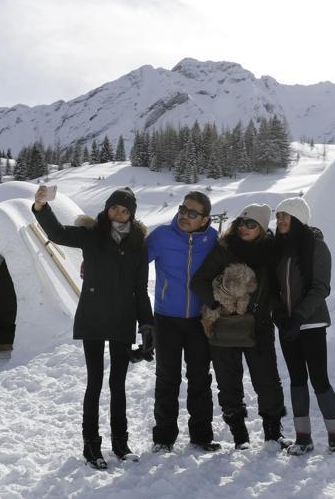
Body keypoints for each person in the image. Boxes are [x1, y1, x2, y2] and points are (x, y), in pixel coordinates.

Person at [32, 186, 153, 470]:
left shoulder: (138, 244)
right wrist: (41, 207)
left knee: (118, 384)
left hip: (123, 318)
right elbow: (58, 233)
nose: (119, 214)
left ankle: (121, 443)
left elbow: (140, 288)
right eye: (115, 208)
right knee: (95, 382)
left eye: (125, 210)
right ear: (107, 208)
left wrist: (147, 323)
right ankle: (91, 445)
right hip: (94, 317)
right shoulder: (91, 234)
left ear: (132, 215)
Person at [191, 204, 289, 450]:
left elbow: (286, 275)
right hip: (225, 324)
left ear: (263, 228)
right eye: (241, 223)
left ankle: (273, 434)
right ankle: (239, 436)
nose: (244, 228)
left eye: (251, 224)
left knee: (267, 379)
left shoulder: (272, 251)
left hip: (259, 325)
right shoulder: (224, 249)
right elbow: (199, 281)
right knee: (228, 381)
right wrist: (217, 302)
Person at [145, 191, 221, 453]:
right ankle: (163, 438)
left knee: (200, 378)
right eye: (182, 209)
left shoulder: (212, 239)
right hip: (166, 319)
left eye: (192, 213)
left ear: (204, 219)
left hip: (199, 321)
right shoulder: (162, 236)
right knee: (167, 378)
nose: (184, 216)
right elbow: (130, 261)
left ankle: (201, 436)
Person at [271, 197, 335, 455]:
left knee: (319, 379)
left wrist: (299, 317)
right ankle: (303, 438)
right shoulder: (277, 248)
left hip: (311, 322)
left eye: (285, 216)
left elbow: (321, 287)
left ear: (298, 219)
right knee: (297, 380)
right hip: (287, 325)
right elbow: (272, 287)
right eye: (278, 215)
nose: (280, 220)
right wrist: (279, 315)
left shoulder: (316, 247)